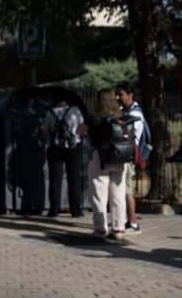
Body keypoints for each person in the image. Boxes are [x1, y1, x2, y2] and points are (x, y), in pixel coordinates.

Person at [87, 89, 128, 242]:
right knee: (118, 193)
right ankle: (119, 229)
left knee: (99, 193)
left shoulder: (95, 116)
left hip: (100, 156)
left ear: (99, 100)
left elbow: (80, 130)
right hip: (119, 156)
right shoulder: (121, 115)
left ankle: (101, 228)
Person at [41, 98, 85, 217]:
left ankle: (54, 210)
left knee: (55, 180)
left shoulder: (50, 112)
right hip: (73, 147)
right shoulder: (75, 110)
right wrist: (77, 137)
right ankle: (76, 210)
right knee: (74, 179)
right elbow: (82, 127)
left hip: (55, 148)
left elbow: (45, 131)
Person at [115, 81, 144, 234]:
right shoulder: (125, 110)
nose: (118, 97)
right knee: (124, 189)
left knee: (127, 190)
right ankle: (127, 220)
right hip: (124, 154)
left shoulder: (135, 114)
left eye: (121, 94)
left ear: (130, 95)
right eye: (117, 94)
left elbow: (125, 131)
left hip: (129, 155)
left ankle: (133, 223)